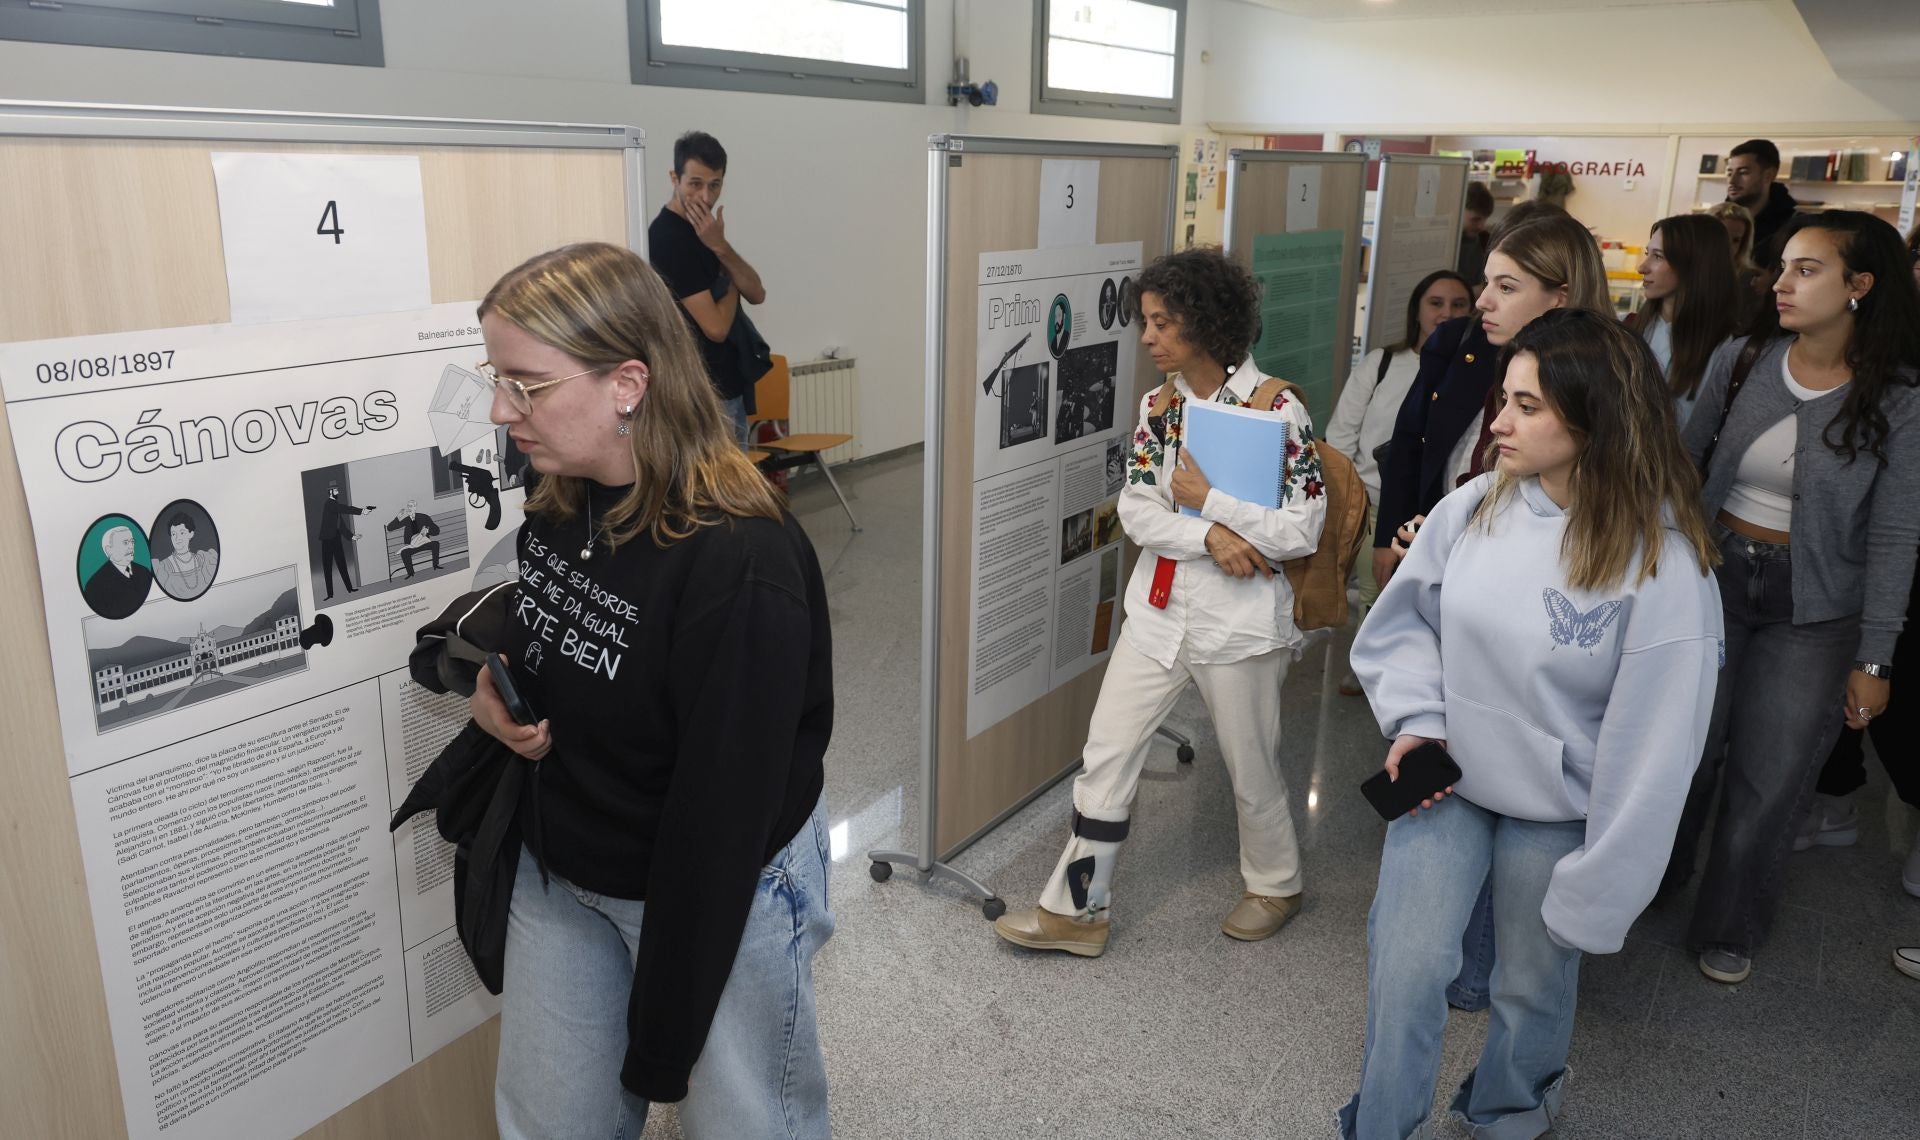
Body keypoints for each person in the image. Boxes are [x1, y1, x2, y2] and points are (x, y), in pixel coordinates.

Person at [470, 241, 834, 1138]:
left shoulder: (740, 562)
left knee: (749, 1124)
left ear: (628, 383)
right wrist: (494, 686)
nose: (498, 409)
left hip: (718, 893)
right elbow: (556, 628)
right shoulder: (564, 493)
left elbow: (719, 817)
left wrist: (666, 1043)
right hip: (566, 871)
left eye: (527, 385)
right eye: (495, 379)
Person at [1340, 309, 1722, 1140]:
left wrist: (1605, 880)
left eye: (1529, 407)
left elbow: (1658, 752)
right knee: (1406, 965)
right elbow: (1406, 626)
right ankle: (1380, 1125)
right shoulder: (1476, 503)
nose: (1499, 423)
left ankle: (1510, 1111)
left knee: (1531, 983)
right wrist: (1418, 719)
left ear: (1595, 420)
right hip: (1451, 780)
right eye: (1504, 398)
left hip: (1559, 808)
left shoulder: (1664, 561)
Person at [991, 249, 1327, 957]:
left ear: (1205, 325)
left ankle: (1275, 883)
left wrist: (1214, 503)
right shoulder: (1159, 407)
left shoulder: (1277, 409)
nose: (1145, 337)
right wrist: (1211, 534)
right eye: (1145, 321)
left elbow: (1302, 529)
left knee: (1250, 766)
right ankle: (1077, 911)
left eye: (1160, 323)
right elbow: (1138, 512)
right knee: (1106, 754)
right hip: (1158, 613)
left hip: (1241, 625)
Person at [1662, 211, 1920, 986]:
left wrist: (1875, 657)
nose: (1781, 283)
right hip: (1711, 581)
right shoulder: (1741, 361)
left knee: (1769, 777)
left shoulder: (1900, 400)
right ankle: (1651, 882)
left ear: (1860, 286)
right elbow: (1683, 473)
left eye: (1807, 269)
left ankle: (1730, 922)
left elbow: (1895, 535)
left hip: (1814, 611)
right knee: (1684, 754)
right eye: (1782, 266)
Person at [1371, 205, 1612, 1012]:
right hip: (1450, 580)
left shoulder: (1607, 392)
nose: (1481, 301)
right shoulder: (1463, 349)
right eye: (1484, 282)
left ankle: (1487, 971)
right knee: (1442, 787)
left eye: (1505, 286)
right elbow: (1419, 448)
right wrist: (1416, 529)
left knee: (1511, 815)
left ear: (1563, 293)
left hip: (1530, 643)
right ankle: (1447, 956)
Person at [1326, 269, 1472, 694]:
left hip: (1439, 510)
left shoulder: (1470, 372)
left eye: (1458, 305)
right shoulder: (1383, 363)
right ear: (1418, 310)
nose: (1446, 313)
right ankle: (1372, 664)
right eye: (1436, 303)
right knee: (1378, 589)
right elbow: (1341, 435)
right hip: (1374, 500)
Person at [647, 131, 769, 446]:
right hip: (702, 395)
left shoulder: (707, 233)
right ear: (674, 178)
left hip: (728, 388)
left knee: (732, 491)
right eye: (695, 184)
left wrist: (721, 247)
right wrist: (730, 284)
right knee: (718, 493)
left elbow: (757, 293)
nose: (705, 197)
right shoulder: (667, 238)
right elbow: (715, 327)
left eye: (714, 185)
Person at [1633, 213, 1741, 424]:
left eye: (1658, 256)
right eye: (1648, 254)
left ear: (1693, 264)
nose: (1642, 267)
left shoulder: (1727, 349)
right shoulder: (1637, 327)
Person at [1726, 138, 1798, 253]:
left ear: (1768, 175)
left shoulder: (1792, 226)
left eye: (1743, 172)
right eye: (1729, 173)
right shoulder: (1716, 221)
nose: (1732, 181)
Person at [315, 482, 373, 599]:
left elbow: (340, 525)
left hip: (335, 537)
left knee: (342, 564)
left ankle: (350, 589)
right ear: (331, 492)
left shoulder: (334, 505)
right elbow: (344, 508)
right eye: (336, 490)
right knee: (327, 567)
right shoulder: (330, 504)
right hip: (327, 540)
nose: (338, 492)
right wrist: (362, 511)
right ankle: (330, 594)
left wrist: (352, 536)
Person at [83, 524, 154, 619]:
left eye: (132, 542)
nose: (131, 547)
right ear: (109, 550)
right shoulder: (95, 585)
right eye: (125, 543)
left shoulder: (144, 572)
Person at [152, 511, 218, 600]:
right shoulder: (162, 568)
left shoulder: (205, 560)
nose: (177, 538)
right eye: (173, 534)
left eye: (182, 533)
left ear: (191, 534)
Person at [384, 500, 442, 577]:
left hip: (424, 543)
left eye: (411, 506)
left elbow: (437, 531)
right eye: (408, 506)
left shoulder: (424, 517)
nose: (409, 508)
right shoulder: (407, 520)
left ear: (415, 508)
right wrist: (398, 516)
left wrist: (428, 530)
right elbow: (390, 528)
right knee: (404, 553)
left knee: (436, 544)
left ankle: (435, 565)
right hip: (412, 546)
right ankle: (411, 573)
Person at [1457, 181, 1494, 286]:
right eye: (1475, 219)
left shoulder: (1485, 240)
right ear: (1459, 211)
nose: (1481, 226)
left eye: (1485, 219)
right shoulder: (1450, 244)